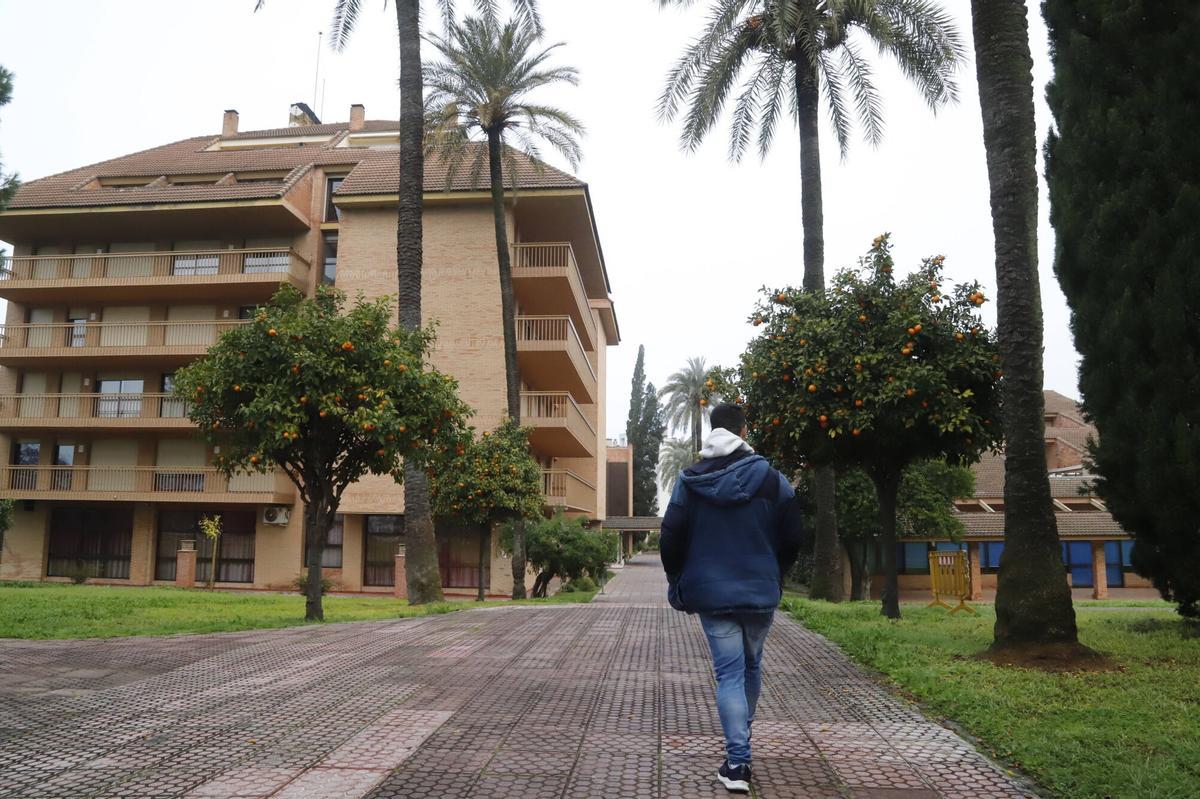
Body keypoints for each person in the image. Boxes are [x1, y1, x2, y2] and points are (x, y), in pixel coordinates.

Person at [660, 402, 803, 794]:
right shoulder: (773, 479)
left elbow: (670, 537)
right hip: (760, 591)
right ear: (743, 430)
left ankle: (738, 763)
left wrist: (677, 579)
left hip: (711, 592)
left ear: (712, 429)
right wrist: (775, 572)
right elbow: (793, 535)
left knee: (729, 673)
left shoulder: (689, 480)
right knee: (751, 668)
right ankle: (741, 746)